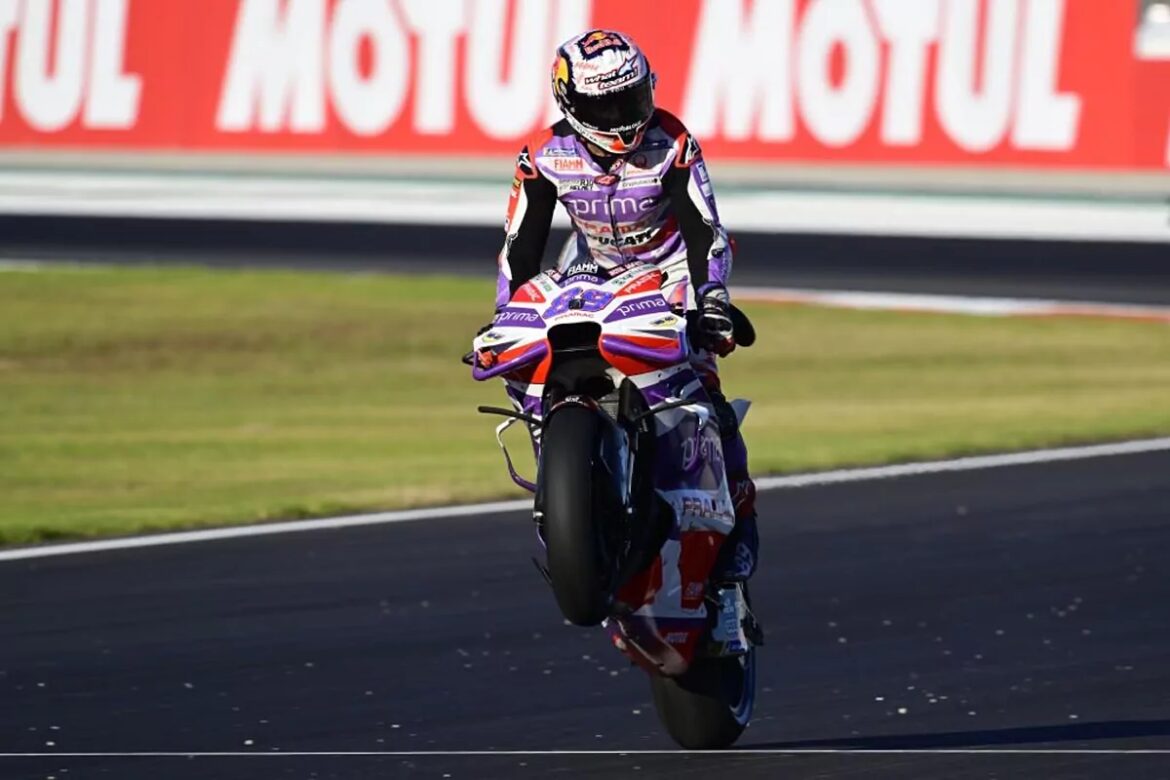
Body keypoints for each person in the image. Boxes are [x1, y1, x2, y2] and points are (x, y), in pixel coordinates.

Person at [492, 29, 759, 650]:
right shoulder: (543, 154)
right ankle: (569, 500)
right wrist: (508, 314)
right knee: (528, 369)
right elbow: (519, 247)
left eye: (632, 98)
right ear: (571, 105)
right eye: (606, 106)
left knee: (708, 400)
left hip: (669, 278)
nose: (623, 117)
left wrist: (712, 302)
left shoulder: (674, 144)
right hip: (589, 275)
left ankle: (735, 551)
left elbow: (706, 230)